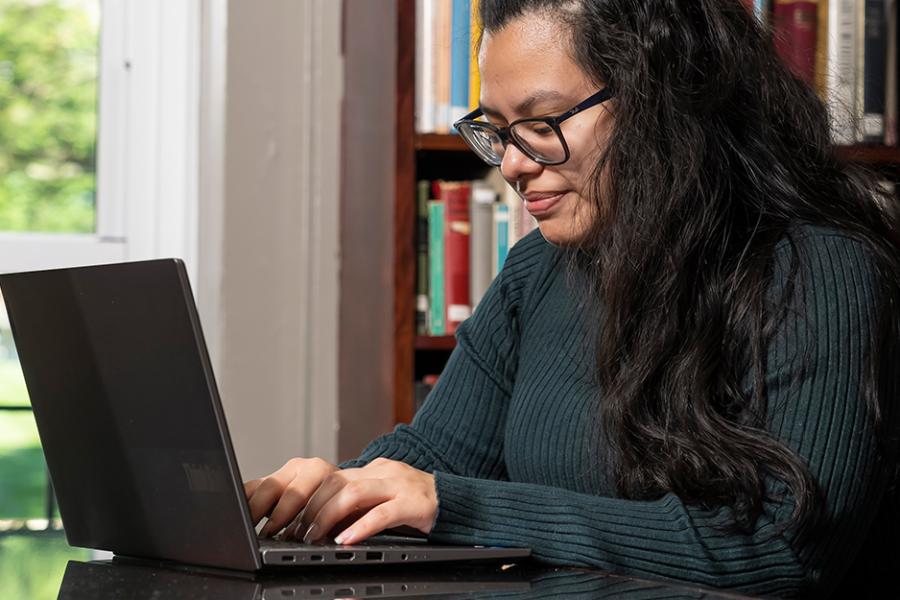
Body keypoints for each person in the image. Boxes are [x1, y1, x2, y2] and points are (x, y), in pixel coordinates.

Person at [244, 0, 900, 596]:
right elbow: (438, 457)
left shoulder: (820, 270)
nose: (512, 164)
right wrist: (328, 493)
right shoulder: (539, 270)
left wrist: (453, 505)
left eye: (541, 122)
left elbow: (778, 554)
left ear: (660, 100)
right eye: (498, 129)